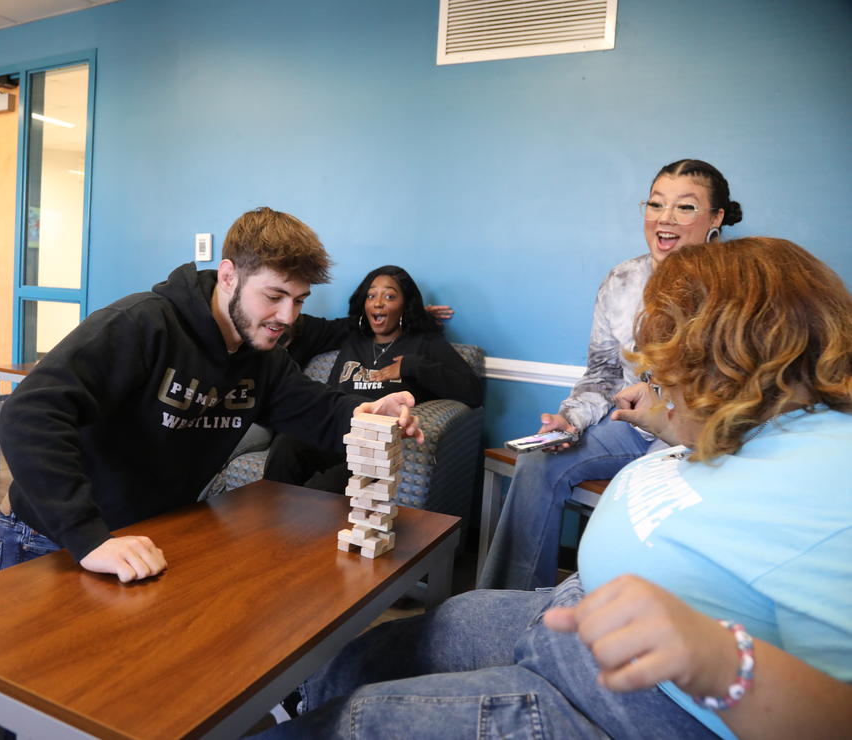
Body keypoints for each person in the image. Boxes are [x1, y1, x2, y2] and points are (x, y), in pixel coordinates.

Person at [0, 206, 426, 739]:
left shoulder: (261, 355)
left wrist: (373, 408)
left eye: (300, 302)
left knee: (127, 706)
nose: (287, 317)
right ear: (228, 275)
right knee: (22, 727)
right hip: (56, 538)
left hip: (149, 541)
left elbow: (313, 412)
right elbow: (27, 417)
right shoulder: (143, 325)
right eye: (276, 296)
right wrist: (90, 537)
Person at [252, 237, 852, 739]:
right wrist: (667, 419)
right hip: (569, 610)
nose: (655, 371)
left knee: (362, 722)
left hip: (618, 702)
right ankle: (299, 700)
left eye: (673, 357)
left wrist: (721, 661)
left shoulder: (833, 478)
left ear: (737, 354)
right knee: (390, 644)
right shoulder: (746, 419)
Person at [478, 158, 743, 590]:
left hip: (700, 439)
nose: (665, 219)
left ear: (716, 218)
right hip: (629, 427)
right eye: (656, 204)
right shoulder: (622, 281)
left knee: (649, 499)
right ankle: (509, 604)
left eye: (685, 208)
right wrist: (572, 419)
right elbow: (602, 373)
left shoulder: (741, 288)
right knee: (539, 459)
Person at [264, 265, 483, 492]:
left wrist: (411, 365)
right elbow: (300, 327)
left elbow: (472, 390)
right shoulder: (353, 333)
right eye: (371, 296)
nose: (378, 303)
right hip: (340, 433)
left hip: (375, 447)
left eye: (389, 296)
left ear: (404, 305)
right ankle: (269, 511)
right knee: (287, 444)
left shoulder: (424, 342)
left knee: (323, 488)